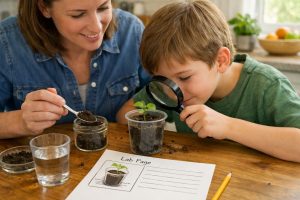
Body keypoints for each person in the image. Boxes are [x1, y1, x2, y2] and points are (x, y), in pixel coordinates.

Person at [117, 0, 300, 162]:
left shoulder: (267, 85)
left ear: (220, 60)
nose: (172, 91)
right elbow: (125, 113)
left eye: (184, 77)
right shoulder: (168, 89)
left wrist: (229, 127)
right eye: (163, 79)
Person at [0, 0, 150, 138]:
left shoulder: (132, 31)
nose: (96, 27)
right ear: (45, 8)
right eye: (78, 15)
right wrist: (21, 121)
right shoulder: (7, 42)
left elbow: (158, 91)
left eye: (103, 7)